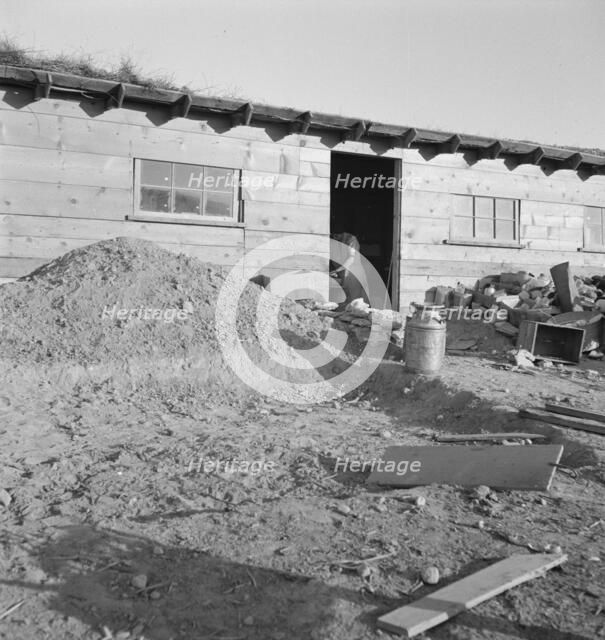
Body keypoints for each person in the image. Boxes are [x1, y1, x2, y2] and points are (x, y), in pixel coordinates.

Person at [330, 232, 369, 305]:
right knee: (346, 300)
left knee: (355, 301)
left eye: (336, 235)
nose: (335, 237)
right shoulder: (334, 242)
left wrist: (336, 271)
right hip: (344, 274)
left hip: (354, 273)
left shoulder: (351, 239)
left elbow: (351, 259)